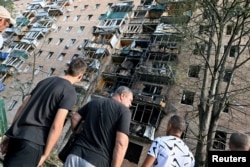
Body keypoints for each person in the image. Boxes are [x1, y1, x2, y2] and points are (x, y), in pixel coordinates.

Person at [0, 58, 87, 167]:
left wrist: (9, 135)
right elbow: (57, 125)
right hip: (33, 143)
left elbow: (22, 107)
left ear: (67, 69)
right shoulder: (70, 91)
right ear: (80, 76)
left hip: (17, 136)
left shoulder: (44, 81)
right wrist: (46, 154)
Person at [64, 86, 133, 167]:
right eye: (130, 100)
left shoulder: (94, 102)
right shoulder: (124, 111)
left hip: (75, 154)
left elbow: (75, 118)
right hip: (97, 161)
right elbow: (121, 143)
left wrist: (79, 133)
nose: (130, 104)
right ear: (123, 96)